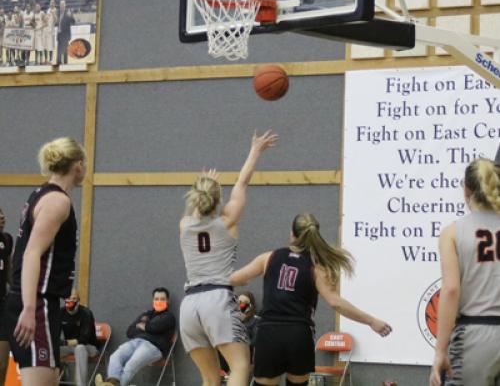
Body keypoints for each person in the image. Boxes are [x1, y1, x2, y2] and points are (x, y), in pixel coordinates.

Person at [230, 212, 393, 386]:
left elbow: (235, 278)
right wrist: (371, 321)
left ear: (291, 233)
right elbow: (335, 302)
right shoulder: (316, 267)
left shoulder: (268, 258)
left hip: (269, 334)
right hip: (299, 335)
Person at [179, 130, 278, 386]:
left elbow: (199, 207)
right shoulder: (228, 221)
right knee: (240, 365)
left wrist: (204, 184)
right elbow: (241, 184)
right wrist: (255, 150)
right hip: (217, 298)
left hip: (189, 305)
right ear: (218, 199)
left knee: (209, 379)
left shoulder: (184, 224)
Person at [5, 137, 86, 386]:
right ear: (78, 166)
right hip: (37, 302)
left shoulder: (41, 193)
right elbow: (31, 253)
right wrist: (30, 309)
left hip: (38, 300)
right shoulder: (57, 201)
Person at [429, 152, 500, 386]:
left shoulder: (453, 232)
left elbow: (450, 290)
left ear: (466, 190)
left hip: (475, 335)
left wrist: (440, 350)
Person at [95, 287, 176, 386]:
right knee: (115, 357)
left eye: (162, 299)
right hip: (135, 342)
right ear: (153, 300)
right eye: (156, 299)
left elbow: (154, 327)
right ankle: (112, 383)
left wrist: (143, 326)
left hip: (153, 347)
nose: (159, 301)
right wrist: (146, 328)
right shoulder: (146, 314)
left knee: (130, 365)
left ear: (168, 300)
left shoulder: (169, 317)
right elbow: (129, 331)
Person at [60, 288, 99, 386]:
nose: (70, 301)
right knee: (50, 350)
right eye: (68, 298)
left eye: (73, 299)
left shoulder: (86, 313)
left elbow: (84, 339)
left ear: (78, 300)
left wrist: (65, 342)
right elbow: (54, 331)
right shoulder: (61, 312)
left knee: (80, 348)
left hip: (89, 347)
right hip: (69, 347)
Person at [0, 209, 13, 384]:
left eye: (2, 213)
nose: (2, 216)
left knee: (2, 363)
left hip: (3, 304)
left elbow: (9, 271)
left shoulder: (7, 239)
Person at [56, 0, 75, 65]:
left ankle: (65, 63)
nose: (61, 5)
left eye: (63, 4)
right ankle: (58, 62)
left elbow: (73, 22)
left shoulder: (68, 12)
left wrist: (71, 16)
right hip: (59, 34)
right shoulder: (58, 13)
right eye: (60, 4)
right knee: (59, 50)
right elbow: (57, 23)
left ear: (65, 5)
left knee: (65, 50)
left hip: (65, 35)